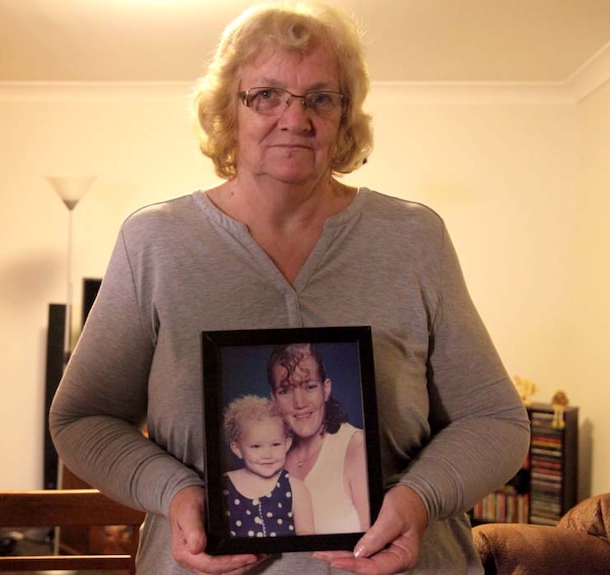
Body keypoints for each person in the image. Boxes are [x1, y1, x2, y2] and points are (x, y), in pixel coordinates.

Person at [50, 1, 530, 574]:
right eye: (266, 95)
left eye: (320, 99)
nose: (294, 119)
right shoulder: (154, 242)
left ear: (344, 117)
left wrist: (419, 497)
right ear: (230, 110)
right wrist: (175, 492)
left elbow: (497, 421)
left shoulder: (414, 238)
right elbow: (81, 420)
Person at [268, 343, 369, 535]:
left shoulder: (356, 447)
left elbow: (374, 543)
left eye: (310, 387)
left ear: (326, 388)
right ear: (274, 398)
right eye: (285, 391)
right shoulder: (269, 457)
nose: (299, 403)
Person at [222, 394, 314, 538]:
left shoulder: (296, 488)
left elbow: (306, 534)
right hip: (240, 560)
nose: (267, 454)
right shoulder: (224, 485)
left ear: (287, 444)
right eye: (256, 446)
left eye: (276, 444)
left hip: (288, 559)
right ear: (238, 449)